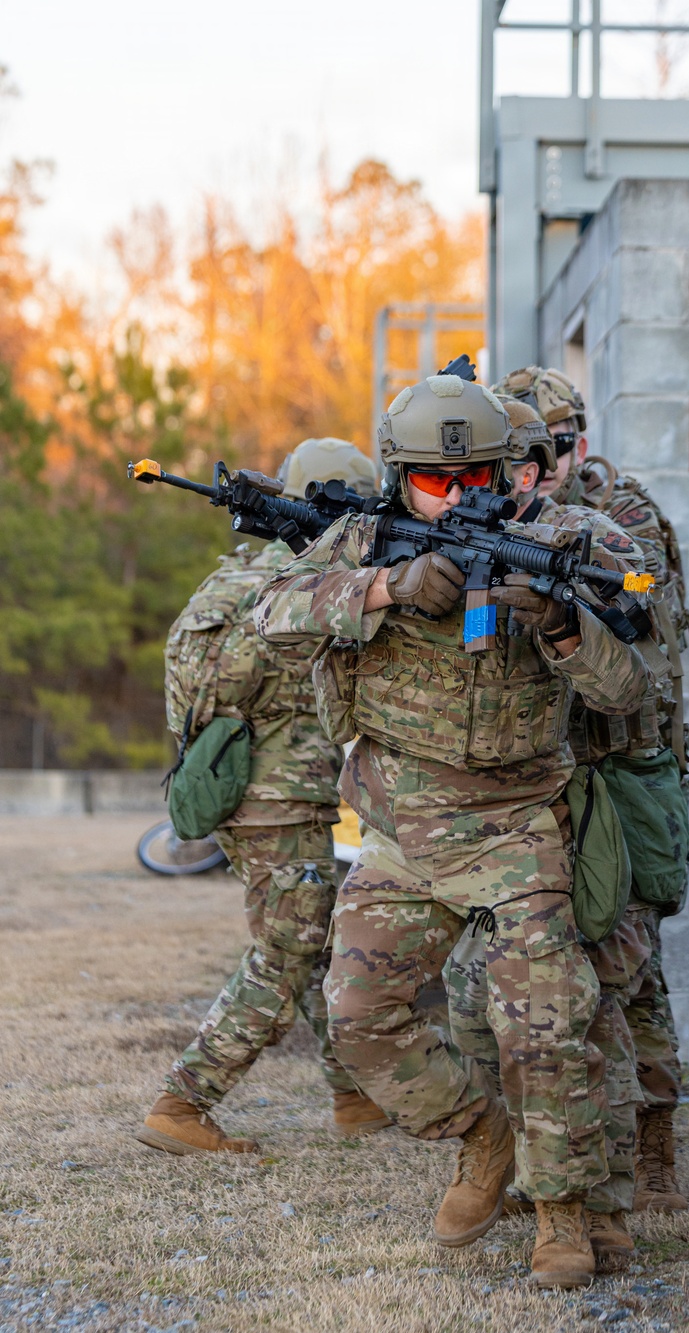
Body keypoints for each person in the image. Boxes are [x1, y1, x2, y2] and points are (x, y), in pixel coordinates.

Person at [254, 375, 653, 1289]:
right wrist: (391, 586)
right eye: (438, 480)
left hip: (518, 825)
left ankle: (563, 1213)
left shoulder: (553, 538)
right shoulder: (360, 537)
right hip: (399, 823)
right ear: (400, 477)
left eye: (479, 474)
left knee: (546, 1026)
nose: (462, 495)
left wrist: (559, 626)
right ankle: (483, 1137)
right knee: (356, 1018)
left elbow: (627, 688)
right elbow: (272, 612)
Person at [137, 438, 388, 1157]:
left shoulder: (244, 574)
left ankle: (352, 1094)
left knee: (317, 937)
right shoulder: (296, 585)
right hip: (276, 797)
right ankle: (183, 1101)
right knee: (288, 948)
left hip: (264, 793)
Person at [494, 367, 689, 1217]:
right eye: (535, 451)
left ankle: (651, 1150)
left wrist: (580, 573)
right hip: (547, 768)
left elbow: (651, 599)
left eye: (564, 442)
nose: (556, 461)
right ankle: (555, 1149)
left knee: (630, 965)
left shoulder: (624, 513)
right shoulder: (509, 510)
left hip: (622, 762)